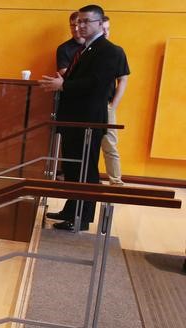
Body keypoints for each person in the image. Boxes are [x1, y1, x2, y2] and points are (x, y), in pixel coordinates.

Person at [40, 4, 123, 231]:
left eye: (86, 21)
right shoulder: (85, 49)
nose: (81, 26)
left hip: (87, 120)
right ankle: (71, 208)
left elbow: (97, 85)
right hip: (74, 119)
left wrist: (64, 84)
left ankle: (81, 217)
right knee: (73, 168)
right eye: (78, 22)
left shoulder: (109, 50)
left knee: (85, 169)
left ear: (99, 23)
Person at [100, 16, 130, 186]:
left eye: (108, 28)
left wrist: (113, 106)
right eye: (102, 28)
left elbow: (123, 80)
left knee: (110, 145)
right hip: (87, 106)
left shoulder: (116, 52)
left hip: (107, 105)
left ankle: (116, 181)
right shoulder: (86, 51)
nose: (105, 32)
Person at [56, 12, 86, 76]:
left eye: (78, 25)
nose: (76, 29)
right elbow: (64, 73)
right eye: (73, 25)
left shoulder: (93, 45)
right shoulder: (63, 49)